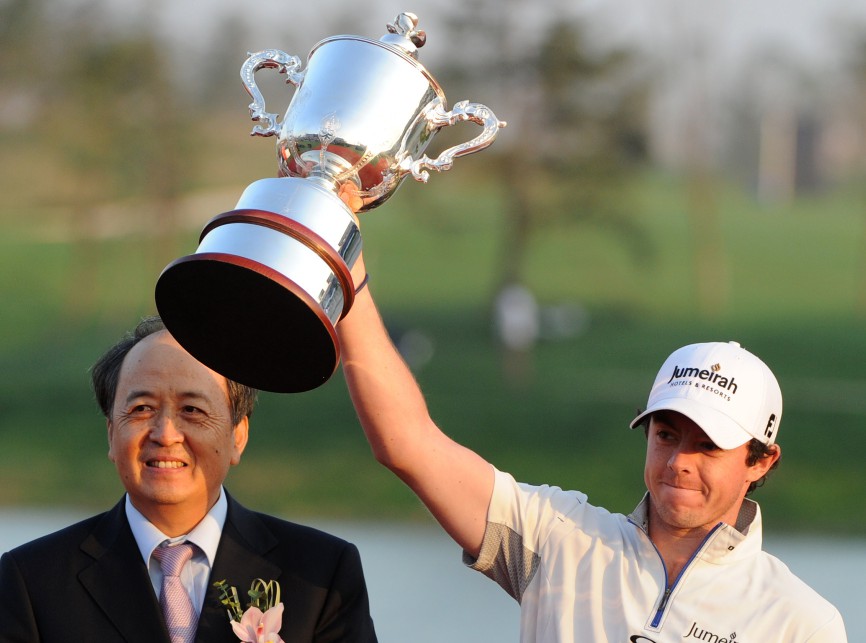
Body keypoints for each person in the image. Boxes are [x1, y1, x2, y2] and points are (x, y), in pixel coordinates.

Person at [336, 254, 847, 642]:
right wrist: (343, 255)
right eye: (666, 435)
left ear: (760, 461)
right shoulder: (561, 539)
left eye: (709, 446)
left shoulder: (801, 622)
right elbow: (408, 443)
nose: (678, 464)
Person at [0, 316, 378, 643]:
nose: (166, 433)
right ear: (111, 434)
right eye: (142, 408)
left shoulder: (320, 574)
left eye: (192, 410)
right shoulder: (33, 580)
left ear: (237, 436)